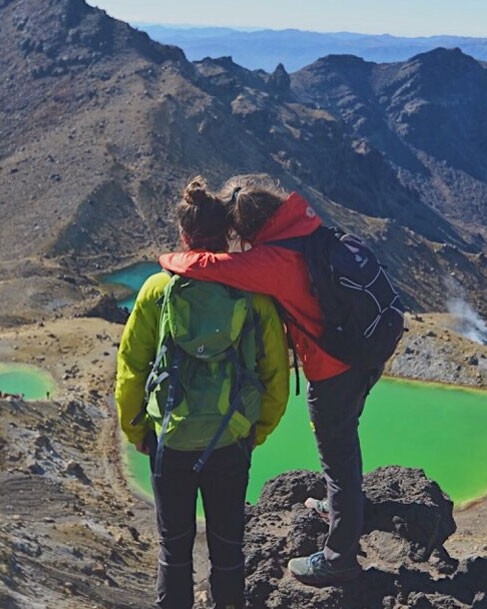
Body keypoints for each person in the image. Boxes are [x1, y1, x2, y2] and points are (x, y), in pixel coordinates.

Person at [159, 174, 383, 587]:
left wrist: (165, 261)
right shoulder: (305, 226)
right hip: (365, 351)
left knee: (336, 456)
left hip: (334, 368)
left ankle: (340, 558)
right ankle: (348, 508)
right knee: (345, 442)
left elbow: (204, 266)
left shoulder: (271, 262)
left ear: (242, 228)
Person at [115, 178, 289, 609]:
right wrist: (254, 430)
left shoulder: (157, 290)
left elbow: (132, 367)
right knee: (228, 551)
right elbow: (275, 375)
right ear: (228, 233)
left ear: (184, 235)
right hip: (230, 441)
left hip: (170, 440)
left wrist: (136, 428)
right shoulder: (253, 296)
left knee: (174, 552)